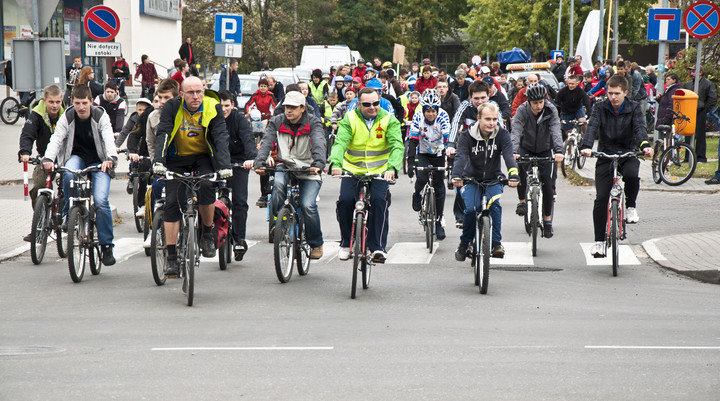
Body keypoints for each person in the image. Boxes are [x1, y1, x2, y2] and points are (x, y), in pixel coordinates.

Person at [152, 77, 232, 276]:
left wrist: (224, 167)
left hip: (203, 157)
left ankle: (206, 232)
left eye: (199, 92)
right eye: (191, 92)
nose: (196, 96)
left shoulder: (213, 106)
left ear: (204, 92)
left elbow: (221, 137)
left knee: (206, 186)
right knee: (171, 202)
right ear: (182, 94)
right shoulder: (172, 107)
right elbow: (163, 133)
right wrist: (159, 161)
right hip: (176, 158)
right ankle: (171, 257)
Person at [42, 84, 118, 265]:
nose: (81, 107)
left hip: (100, 161)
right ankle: (71, 214)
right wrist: (48, 158)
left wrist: (111, 158)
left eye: (85, 103)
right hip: (77, 157)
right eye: (77, 103)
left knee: (100, 201)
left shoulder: (100, 115)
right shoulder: (67, 116)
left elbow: (108, 137)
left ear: (91, 101)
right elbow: (56, 139)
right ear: (72, 102)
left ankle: (107, 246)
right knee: (68, 174)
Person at [246, 91, 326, 259]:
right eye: (286, 107)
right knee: (278, 187)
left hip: (309, 168)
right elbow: (267, 142)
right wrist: (259, 163)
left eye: (293, 107)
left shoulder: (313, 122)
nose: (288, 110)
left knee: (307, 205)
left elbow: (319, 142)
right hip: (286, 165)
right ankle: (278, 224)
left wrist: (318, 164)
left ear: (303, 108)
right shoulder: (277, 121)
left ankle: (316, 243)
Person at [580, 75, 653, 258]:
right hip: (606, 153)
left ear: (625, 93)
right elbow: (592, 126)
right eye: (610, 93)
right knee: (601, 198)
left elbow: (639, 128)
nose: (613, 97)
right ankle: (599, 242)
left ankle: (631, 207)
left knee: (631, 175)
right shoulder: (600, 107)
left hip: (628, 152)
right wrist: (587, 146)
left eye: (617, 94)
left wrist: (644, 145)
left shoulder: (634, 107)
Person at [329, 88, 404, 263]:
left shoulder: (388, 119)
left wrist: (392, 167)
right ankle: (347, 242)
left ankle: (377, 247)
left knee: (379, 201)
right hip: (353, 170)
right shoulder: (350, 118)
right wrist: (336, 164)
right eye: (367, 104)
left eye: (375, 103)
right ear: (358, 104)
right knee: (346, 201)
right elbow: (340, 143)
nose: (372, 107)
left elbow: (397, 145)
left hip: (380, 171)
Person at [452, 102, 519, 260]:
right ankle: (464, 243)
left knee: (494, 205)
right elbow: (461, 156)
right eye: (487, 119)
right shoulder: (467, 136)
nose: (491, 123)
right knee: (470, 210)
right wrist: (456, 176)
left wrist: (514, 174)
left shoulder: (502, 135)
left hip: (493, 179)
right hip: (472, 179)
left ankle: (496, 243)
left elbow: (509, 156)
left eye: (494, 119)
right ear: (478, 119)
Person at [511, 84, 564, 237]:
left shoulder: (550, 109)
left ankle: (547, 221)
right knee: (520, 172)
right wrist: (514, 151)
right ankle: (522, 201)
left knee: (547, 183)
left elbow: (555, 130)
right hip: (525, 147)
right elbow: (516, 131)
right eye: (535, 103)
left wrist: (558, 151)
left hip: (545, 149)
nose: (538, 105)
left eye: (541, 102)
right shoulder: (522, 110)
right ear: (528, 101)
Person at [18, 85, 65, 240]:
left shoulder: (67, 114)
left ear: (61, 101)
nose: (54, 105)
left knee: (69, 188)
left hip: (65, 158)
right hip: (45, 158)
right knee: (38, 188)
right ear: (45, 100)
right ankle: (39, 224)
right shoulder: (37, 114)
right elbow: (28, 133)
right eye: (51, 102)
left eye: (58, 102)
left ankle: (66, 219)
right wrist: (25, 152)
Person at [218, 90, 257, 261]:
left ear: (233, 105)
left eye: (227, 105)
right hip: (218, 164)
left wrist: (251, 159)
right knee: (212, 200)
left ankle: (239, 239)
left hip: (239, 163)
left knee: (240, 201)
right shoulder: (212, 119)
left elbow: (248, 140)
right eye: (220, 106)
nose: (224, 109)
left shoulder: (240, 120)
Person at [407, 89, 451, 240]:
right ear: (423, 109)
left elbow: (448, 140)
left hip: (439, 152)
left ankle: (438, 221)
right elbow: (412, 140)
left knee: (439, 187)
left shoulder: (443, 116)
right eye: (428, 110)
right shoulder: (418, 116)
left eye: (433, 110)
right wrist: (410, 161)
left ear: (437, 109)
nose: (431, 114)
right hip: (423, 151)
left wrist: (450, 161)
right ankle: (417, 194)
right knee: (421, 178)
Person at [683, 65, 717, 163]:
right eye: (691, 72)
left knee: (700, 134)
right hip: (689, 112)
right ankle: (688, 156)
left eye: (693, 71)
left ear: (700, 72)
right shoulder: (689, 84)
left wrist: (704, 109)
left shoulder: (707, 84)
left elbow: (712, 98)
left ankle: (701, 156)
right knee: (688, 134)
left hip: (700, 112)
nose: (691, 74)